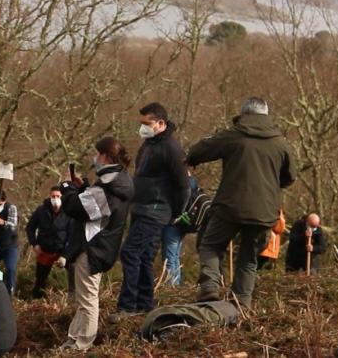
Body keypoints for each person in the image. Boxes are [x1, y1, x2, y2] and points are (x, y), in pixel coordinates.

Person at [186, 97, 296, 309]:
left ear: (244, 114)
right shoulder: (280, 142)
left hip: (230, 207)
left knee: (210, 245)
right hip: (265, 211)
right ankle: (241, 304)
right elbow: (290, 177)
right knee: (249, 257)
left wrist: (191, 159)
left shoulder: (233, 135)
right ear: (266, 114)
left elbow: (201, 149)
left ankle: (210, 287)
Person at [113, 103, 190, 321]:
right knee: (145, 257)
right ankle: (145, 304)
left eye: (147, 123)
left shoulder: (172, 149)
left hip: (156, 210)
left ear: (161, 123)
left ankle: (127, 306)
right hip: (141, 207)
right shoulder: (148, 145)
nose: (143, 128)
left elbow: (183, 186)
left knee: (130, 252)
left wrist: (175, 212)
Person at [57, 136, 134, 351]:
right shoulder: (121, 182)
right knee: (84, 299)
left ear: (106, 157)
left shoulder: (108, 188)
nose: (95, 158)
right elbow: (95, 209)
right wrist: (84, 188)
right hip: (102, 246)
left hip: (92, 248)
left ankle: (83, 343)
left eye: (98, 153)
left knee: (88, 300)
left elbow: (77, 208)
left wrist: (66, 186)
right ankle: (74, 339)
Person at [25, 186, 74, 298]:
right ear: (49, 196)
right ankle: (37, 301)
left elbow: (72, 235)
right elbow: (30, 227)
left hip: (62, 250)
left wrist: (65, 255)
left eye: (58, 196)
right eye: (53, 196)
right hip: (44, 250)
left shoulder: (69, 212)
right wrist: (34, 243)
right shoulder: (41, 210)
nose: (55, 198)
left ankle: (72, 299)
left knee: (73, 275)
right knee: (40, 280)